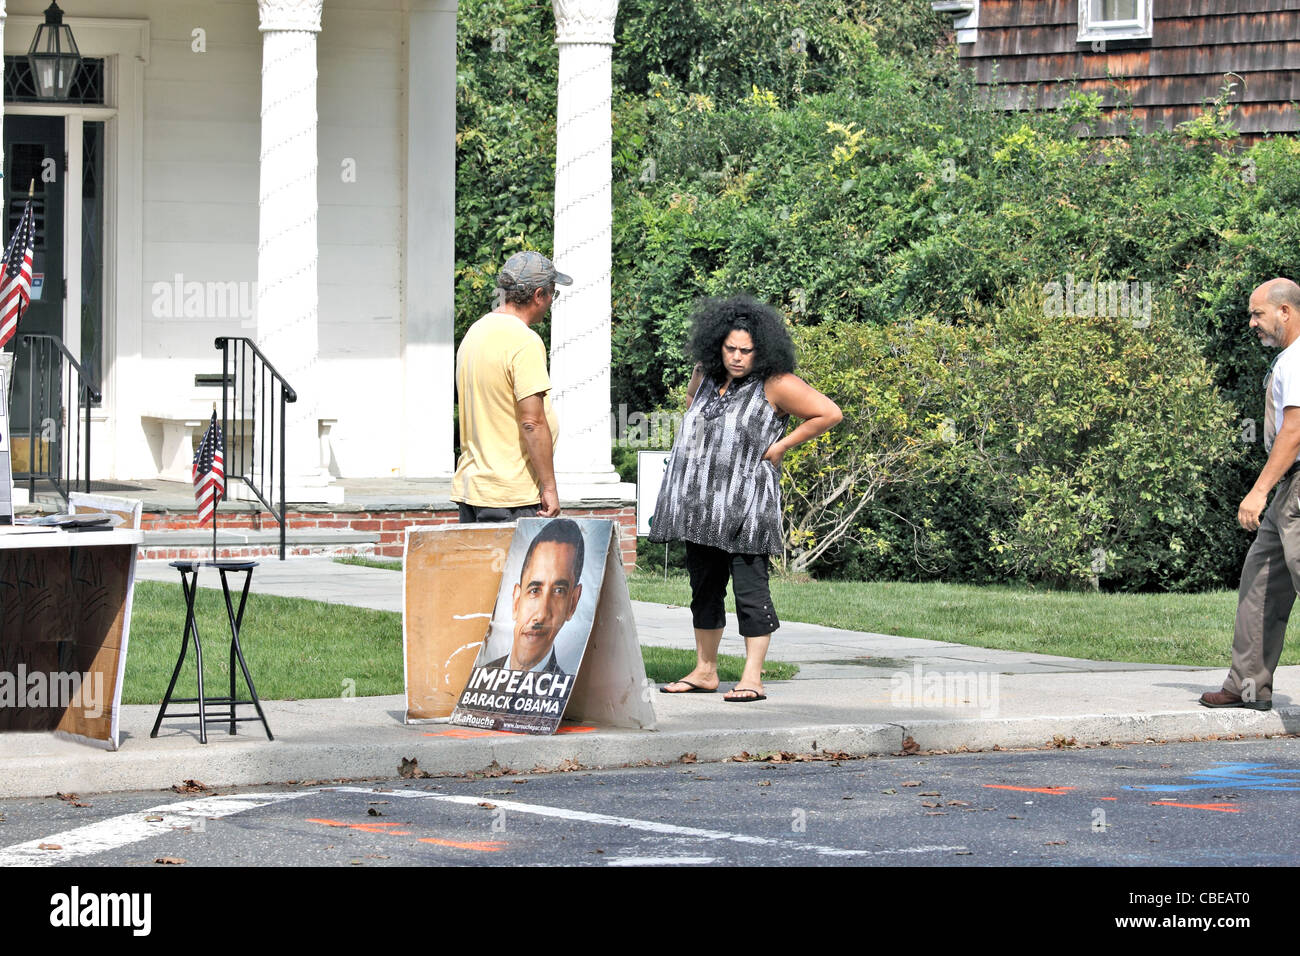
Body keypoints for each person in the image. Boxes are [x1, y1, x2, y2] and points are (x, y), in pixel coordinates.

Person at [651, 295, 842, 701]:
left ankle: (752, 677)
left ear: (762, 349)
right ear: (717, 345)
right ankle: (705, 671)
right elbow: (691, 406)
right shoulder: (704, 375)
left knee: (750, 592)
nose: (737, 357)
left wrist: (781, 446)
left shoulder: (776, 384)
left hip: (747, 507)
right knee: (703, 590)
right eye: (731, 349)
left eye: (746, 351)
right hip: (700, 504)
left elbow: (828, 413)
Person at [1201, 277, 1300, 711]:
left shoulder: (1298, 360)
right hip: (1290, 490)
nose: (1252, 322)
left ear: (1286, 312)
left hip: (1294, 489)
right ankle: (1247, 686)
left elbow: (1294, 431)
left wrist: (1258, 492)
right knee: (1260, 582)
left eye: (1258, 313)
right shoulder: (1289, 359)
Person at [452, 251, 572, 523]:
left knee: (481, 566)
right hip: (510, 496)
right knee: (516, 567)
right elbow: (532, 422)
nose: (552, 301)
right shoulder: (524, 341)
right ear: (538, 295)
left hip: (474, 489)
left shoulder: (475, 332)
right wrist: (550, 487)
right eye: (553, 293)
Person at [487, 518, 585, 675]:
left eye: (559, 591)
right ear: (516, 601)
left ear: (572, 604)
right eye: (534, 590)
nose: (540, 616)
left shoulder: (565, 695)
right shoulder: (483, 674)